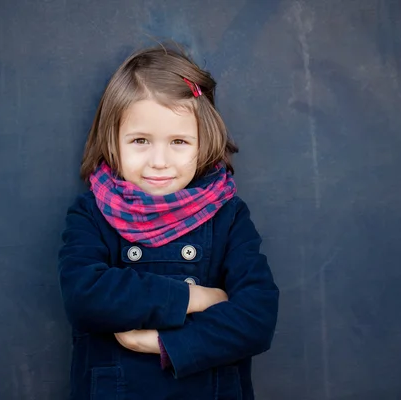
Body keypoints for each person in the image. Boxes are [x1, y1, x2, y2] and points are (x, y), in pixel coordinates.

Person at [58, 43, 279, 400]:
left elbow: (257, 317)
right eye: (140, 140)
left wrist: (162, 342)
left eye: (178, 141)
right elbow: (85, 296)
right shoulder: (93, 213)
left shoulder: (228, 215)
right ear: (113, 141)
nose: (159, 161)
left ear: (202, 142)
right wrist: (196, 297)